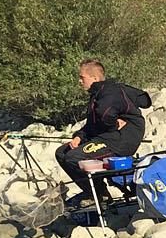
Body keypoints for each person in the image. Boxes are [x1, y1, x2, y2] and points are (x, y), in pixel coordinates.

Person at [54, 58, 151, 205]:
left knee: (73, 157)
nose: (80, 81)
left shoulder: (110, 92)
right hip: (106, 137)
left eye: (82, 77)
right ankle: (99, 192)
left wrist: (112, 126)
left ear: (94, 78)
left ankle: (98, 195)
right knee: (62, 153)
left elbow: (105, 116)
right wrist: (79, 137)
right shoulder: (97, 94)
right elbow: (93, 124)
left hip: (120, 141)